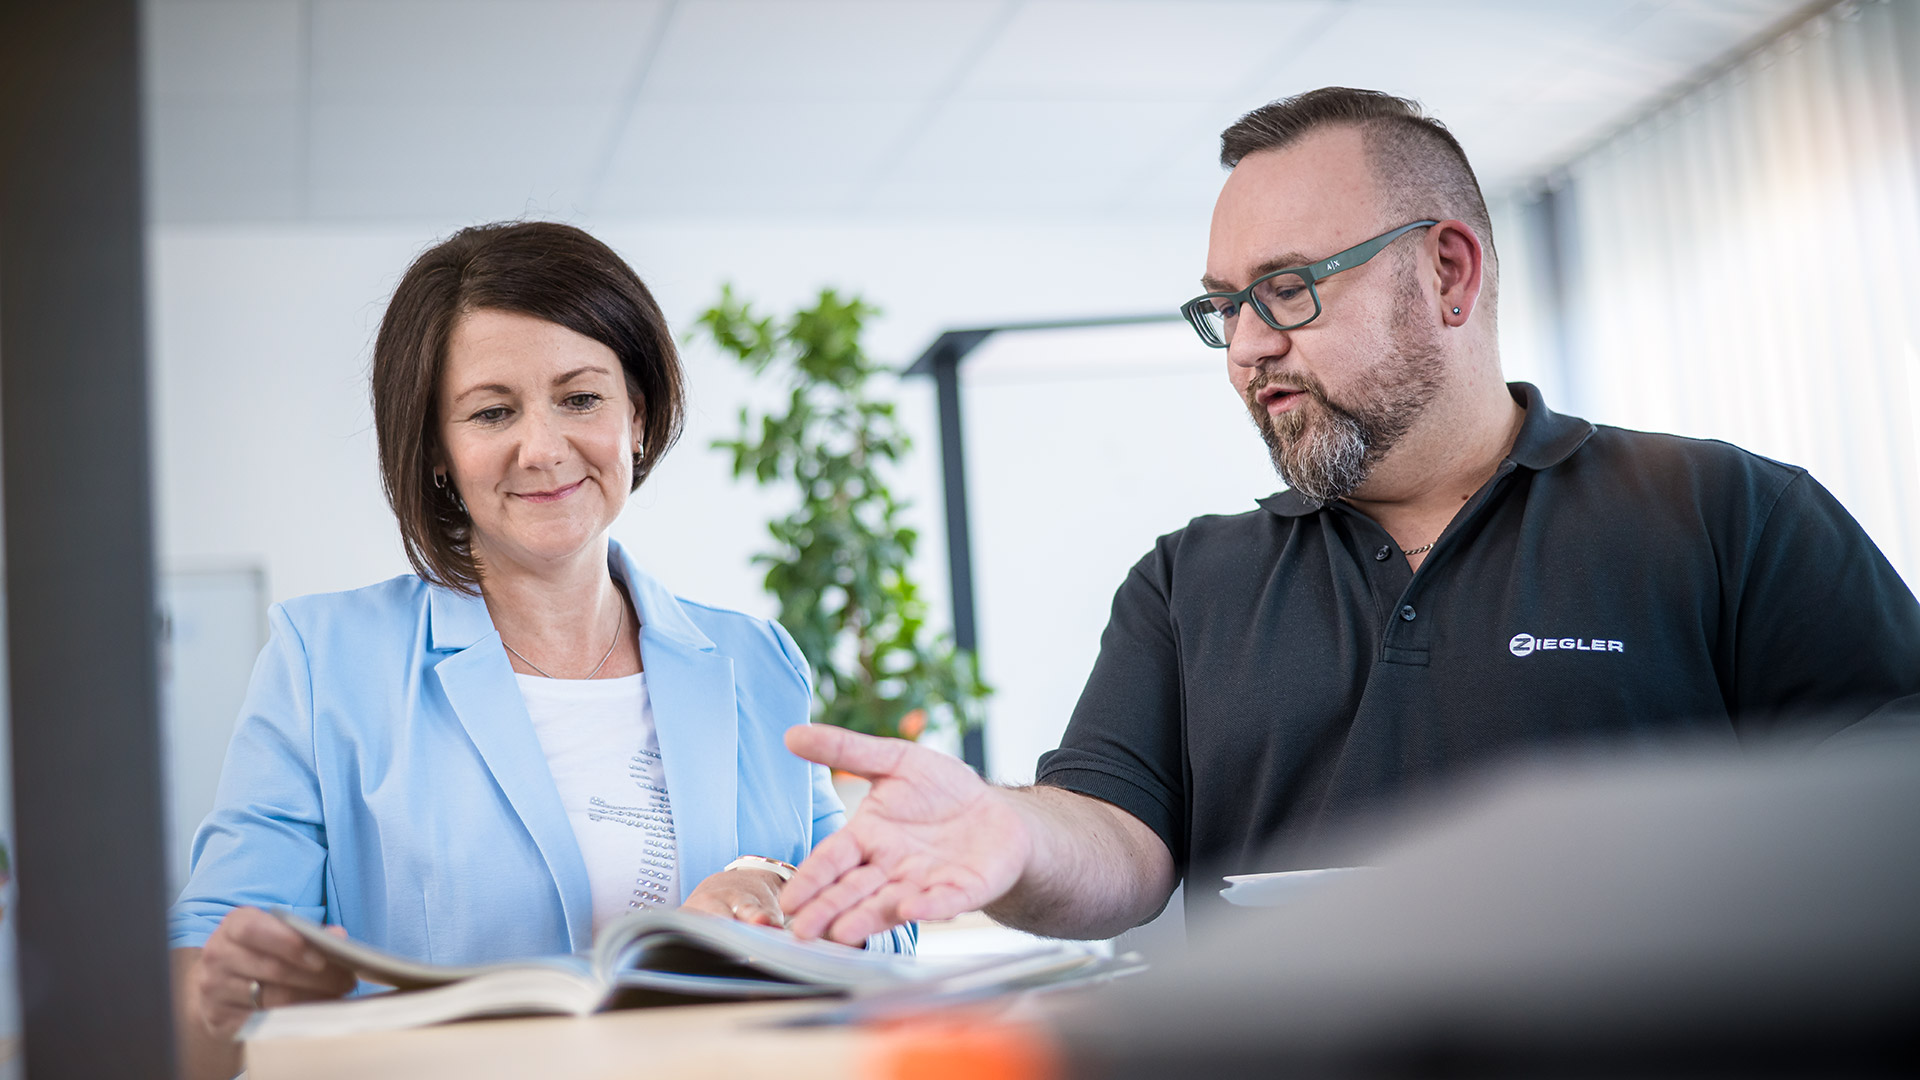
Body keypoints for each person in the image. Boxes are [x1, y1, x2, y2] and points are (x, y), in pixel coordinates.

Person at [773, 87, 1920, 948]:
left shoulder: (1730, 517)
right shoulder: (1190, 581)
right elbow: (1115, 840)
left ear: (1450, 275)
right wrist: (1011, 836)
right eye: (1224, 309)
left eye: (1287, 290)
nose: (1246, 350)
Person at [168, 222, 910, 1079]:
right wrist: (233, 987)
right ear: (439, 453)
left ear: (637, 415)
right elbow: (206, 968)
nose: (544, 448)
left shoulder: (755, 660)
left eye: (581, 398)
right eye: (492, 412)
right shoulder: (324, 661)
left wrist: (785, 897)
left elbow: (887, 933)